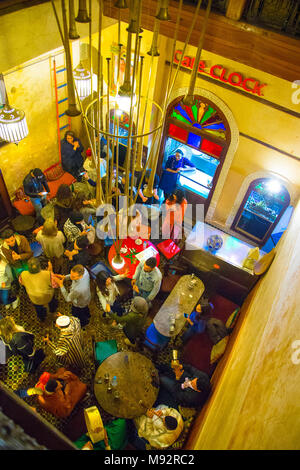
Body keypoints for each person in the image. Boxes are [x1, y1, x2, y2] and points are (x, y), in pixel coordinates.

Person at [16, 368, 87, 418]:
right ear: (54, 390)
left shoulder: (41, 385)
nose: (61, 385)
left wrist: (58, 376)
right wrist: (66, 391)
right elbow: (66, 406)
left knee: (63, 372)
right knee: (81, 388)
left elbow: (48, 376)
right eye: (59, 387)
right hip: (62, 406)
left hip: (50, 399)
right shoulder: (57, 401)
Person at [19, 257, 58, 322]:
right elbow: (55, 285)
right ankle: (52, 311)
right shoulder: (47, 274)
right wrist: (51, 271)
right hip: (48, 296)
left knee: (38, 309)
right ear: (39, 266)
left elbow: (22, 283)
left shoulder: (23, 274)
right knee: (52, 302)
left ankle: (42, 318)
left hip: (34, 299)